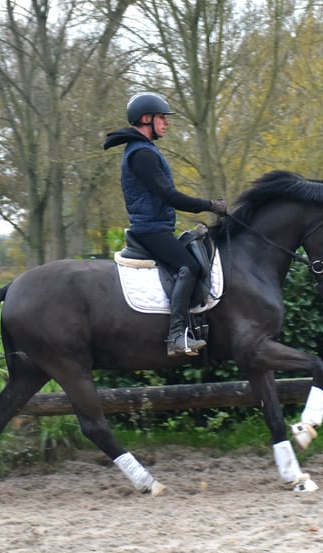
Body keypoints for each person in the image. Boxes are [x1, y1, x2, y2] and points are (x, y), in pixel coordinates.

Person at [104, 92, 227, 357]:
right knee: (189, 266)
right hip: (150, 230)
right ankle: (176, 337)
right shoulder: (142, 155)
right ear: (146, 119)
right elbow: (169, 195)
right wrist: (209, 205)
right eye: (162, 117)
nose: (166, 123)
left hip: (156, 227)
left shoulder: (145, 150)